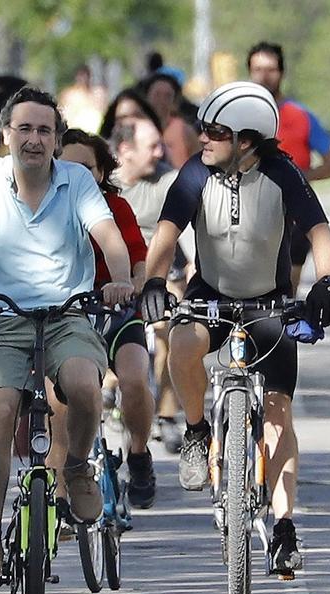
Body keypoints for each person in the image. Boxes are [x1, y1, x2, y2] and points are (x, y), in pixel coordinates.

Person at [0, 87, 134, 583]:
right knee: (2, 409)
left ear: (58, 140)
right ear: (6, 135)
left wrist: (121, 280)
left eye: (45, 130)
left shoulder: (78, 182)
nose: (34, 139)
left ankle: (77, 468)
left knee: (85, 385)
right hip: (1, 316)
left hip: (67, 314)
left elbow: (109, 238)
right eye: (24, 128)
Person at [141, 81, 330, 578]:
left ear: (247, 141)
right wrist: (151, 281)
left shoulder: (281, 174)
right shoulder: (195, 172)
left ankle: (285, 528)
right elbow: (167, 234)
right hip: (209, 295)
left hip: (269, 303)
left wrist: (328, 282)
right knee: (181, 343)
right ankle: (195, 430)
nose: (201, 138)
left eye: (215, 132)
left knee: (277, 413)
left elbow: (320, 233)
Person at [54, 129, 156, 508]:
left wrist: (131, 284)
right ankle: (63, 483)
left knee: (133, 378)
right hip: (65, 313)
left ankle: (140, 452)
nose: (78, 174)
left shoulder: (116, 207)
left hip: (115, 308)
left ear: (101, 172)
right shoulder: (44, 204)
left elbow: (138, 258)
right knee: (59, 401)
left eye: (87, 167)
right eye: (68, 166)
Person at [111, 117, 187, 454]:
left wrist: (193, 264)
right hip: (116, 277)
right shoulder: (105, 184)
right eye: (152, 146)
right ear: (125, 149)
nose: (161, 152)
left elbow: (193, 223)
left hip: (159, 274)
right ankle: (113, 383)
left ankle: (167, 413)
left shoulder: (168, 180)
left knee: (172, 325)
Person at [246, 41, 330, 294]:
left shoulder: (301, 116)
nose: (264, 76)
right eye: (258, 69)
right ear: (249, 72)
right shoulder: (240, 115)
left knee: (286, 291)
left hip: (294, 215)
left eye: (271, 69)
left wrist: (296, 178)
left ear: (282, 72)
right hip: (248, 212)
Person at [140, 72, 201, 170]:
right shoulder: (137, 130)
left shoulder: (185, 131)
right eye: (157, 95)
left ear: (175, 102)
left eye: (167, 96)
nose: (161, 101)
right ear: (146, 98)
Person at [57, 65, 107, 134]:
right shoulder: (69, 95)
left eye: (85, 76)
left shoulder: (97, 94)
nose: (83, 79)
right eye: (80, 76)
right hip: (75, 134)